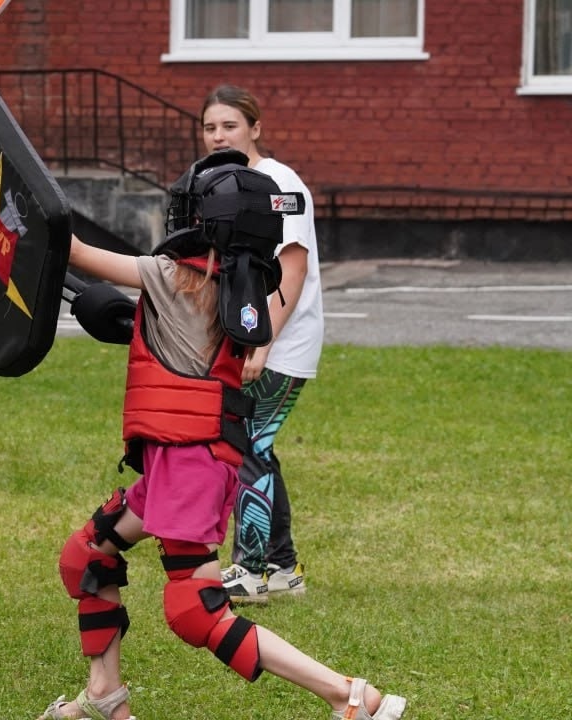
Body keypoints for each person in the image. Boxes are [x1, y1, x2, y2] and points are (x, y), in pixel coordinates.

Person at [40, 154, 405, 720]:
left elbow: (76, 253)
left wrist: (10, 219)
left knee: (197, 611)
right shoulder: (246, 285)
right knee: (87, 555)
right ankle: (105, 697)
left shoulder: (169, 276)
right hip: (186, 462)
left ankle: (351, 696)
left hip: (187, 467)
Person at [199, 85, 325, 604]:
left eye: (229, 125)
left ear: (255, 128)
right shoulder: (216, 184)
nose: (218, 136)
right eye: (210, 127)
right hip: (247, 339)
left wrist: (262, 344)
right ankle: (283, 568)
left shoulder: (279, 184)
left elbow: (292, 270)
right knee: (258, 446)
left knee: (249, 445)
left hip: (280, 342)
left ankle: (249, 571)